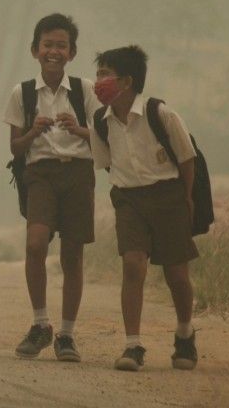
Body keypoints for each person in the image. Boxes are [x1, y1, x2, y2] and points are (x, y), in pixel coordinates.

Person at [90, 45, 199, 372]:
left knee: (176, 274)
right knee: (132, 265)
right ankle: (133, 344)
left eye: (105, 74)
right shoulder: (99, 122)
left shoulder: (160, 113)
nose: (98, 82)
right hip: (129, 199)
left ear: (127, 81)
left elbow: (187, 158)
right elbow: (107, 164)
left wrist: (186, 198)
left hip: (169, 196)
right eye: (98, 74)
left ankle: (185, 333)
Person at [2, 14, 100, 361]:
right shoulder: (23, 93)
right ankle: (40, 323)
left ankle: (67, 335)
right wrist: (33, 132)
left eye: (61, 45)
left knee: (72, 254)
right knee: (35, 244)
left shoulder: (86, 90)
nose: (54, 52)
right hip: (40, 174)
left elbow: (105, 138)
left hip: (78, 173)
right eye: (47, 45)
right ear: (35, 50)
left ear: (72, 52)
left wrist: (79, 129)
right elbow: (16, 148)